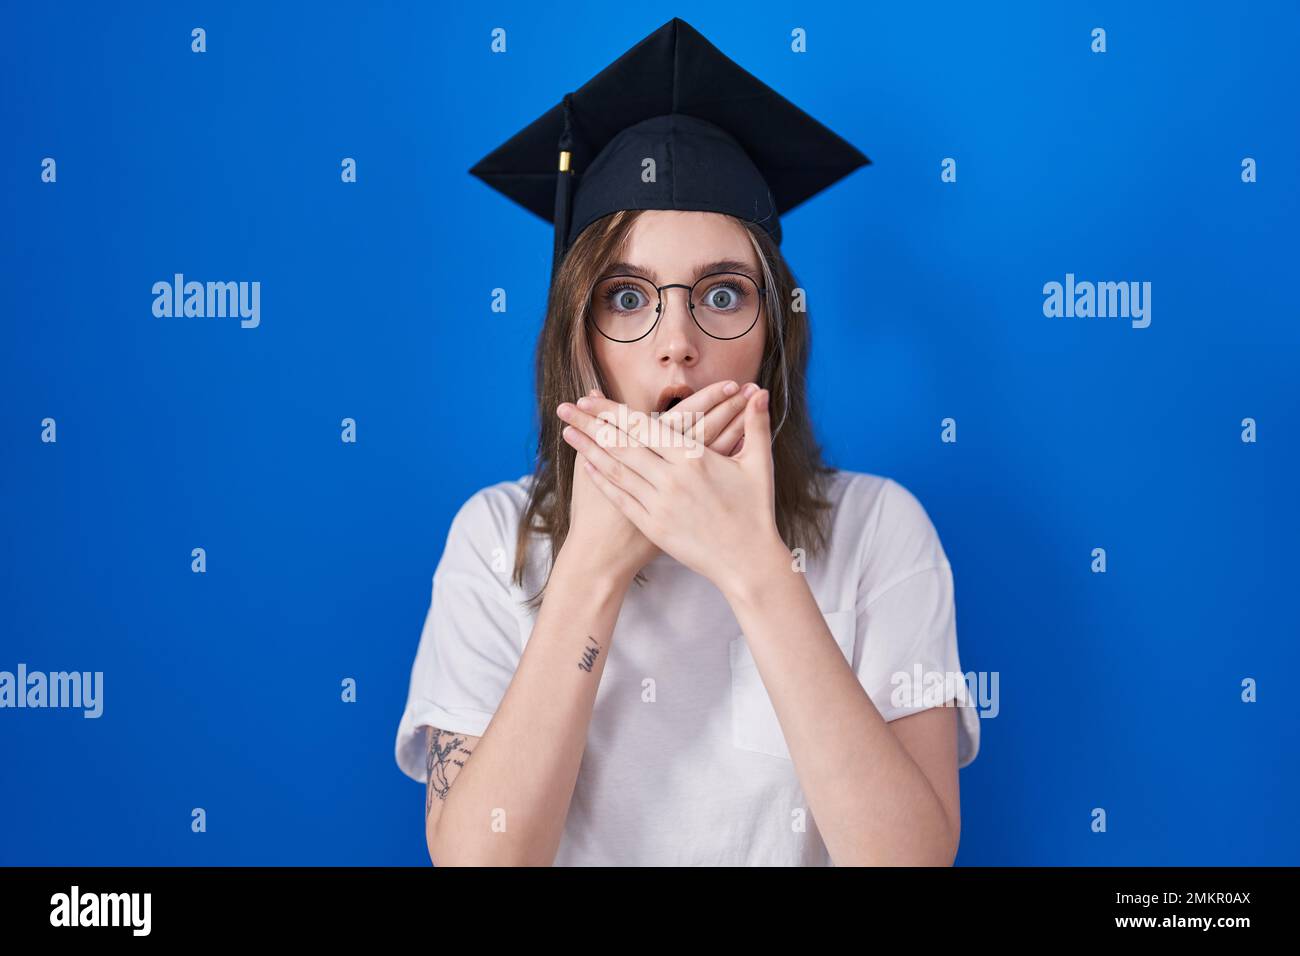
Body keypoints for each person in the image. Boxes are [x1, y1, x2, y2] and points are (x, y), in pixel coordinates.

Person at [395, 17, 980, 866]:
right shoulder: (495, 539)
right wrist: (594, 565)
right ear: (578, 339)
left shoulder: (879, 530)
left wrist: (751, 564)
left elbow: (909, 861)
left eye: (723, 294)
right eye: (628, 298)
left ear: (775, 334)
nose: (677, 342)